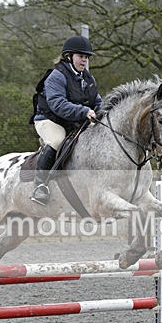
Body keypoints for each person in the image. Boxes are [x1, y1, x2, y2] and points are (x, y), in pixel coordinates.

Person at [30, 35, 103, 206]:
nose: (84, 60)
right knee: (57, 140)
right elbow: (57, 104)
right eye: (80, 56)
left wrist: (103, 113)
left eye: (86, 57)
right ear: (69, 56)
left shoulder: (88, 79)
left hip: (71, 120)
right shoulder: (57, 76)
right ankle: (39, 186)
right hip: (49, 119)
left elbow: (97, 101)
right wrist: (84, 111)